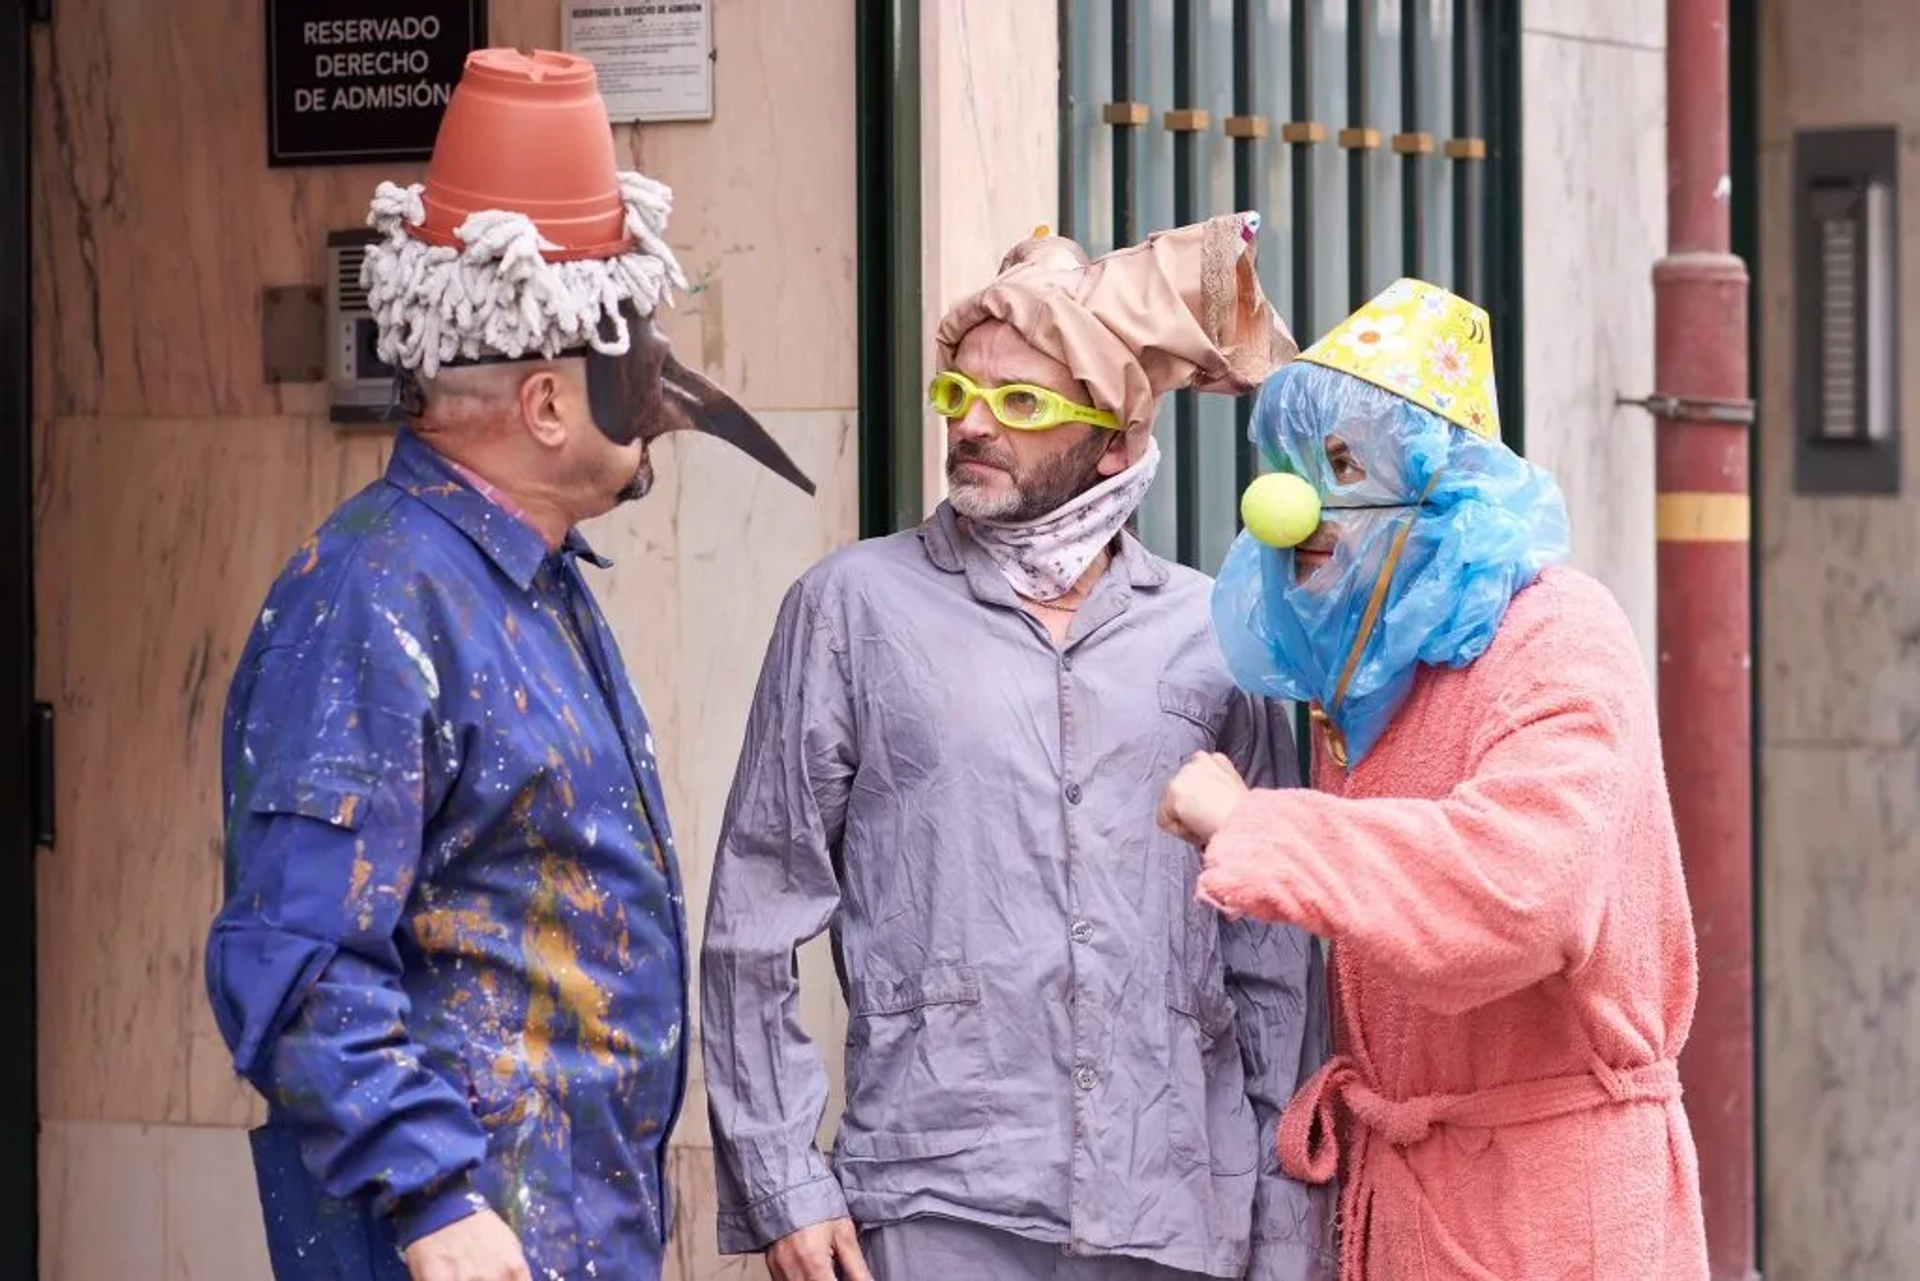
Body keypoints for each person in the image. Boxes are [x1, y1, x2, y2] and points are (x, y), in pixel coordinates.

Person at [203, 49, 814, 1281]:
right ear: (545, 405)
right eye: (634, 366)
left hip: (575, 1232)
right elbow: (297, 953)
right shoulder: (375, 603)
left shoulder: (527, 585)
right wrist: (431, 1200)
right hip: (468, 1247)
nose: (666, 407)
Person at [700, 214, 1336, 1281]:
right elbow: (754, 918)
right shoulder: (853, 610)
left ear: (1118, 441)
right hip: (938, 1199)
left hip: (1176, 1204)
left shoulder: (1210, 634)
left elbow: (1273, 962)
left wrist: (1287, 1224)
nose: (973, 426)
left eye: (1020, 402)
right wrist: (781, 1177)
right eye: (959, 395)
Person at [1158, 279, 1710, 1279]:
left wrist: (1260, 830)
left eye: (1340, 464)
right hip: (1414, 1207)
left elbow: (1517, 895)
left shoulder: (1558, 636)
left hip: (1554, 1217)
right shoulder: (1367, 679)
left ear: (1443, 484)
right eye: (1290, 466)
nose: (1297, 507)